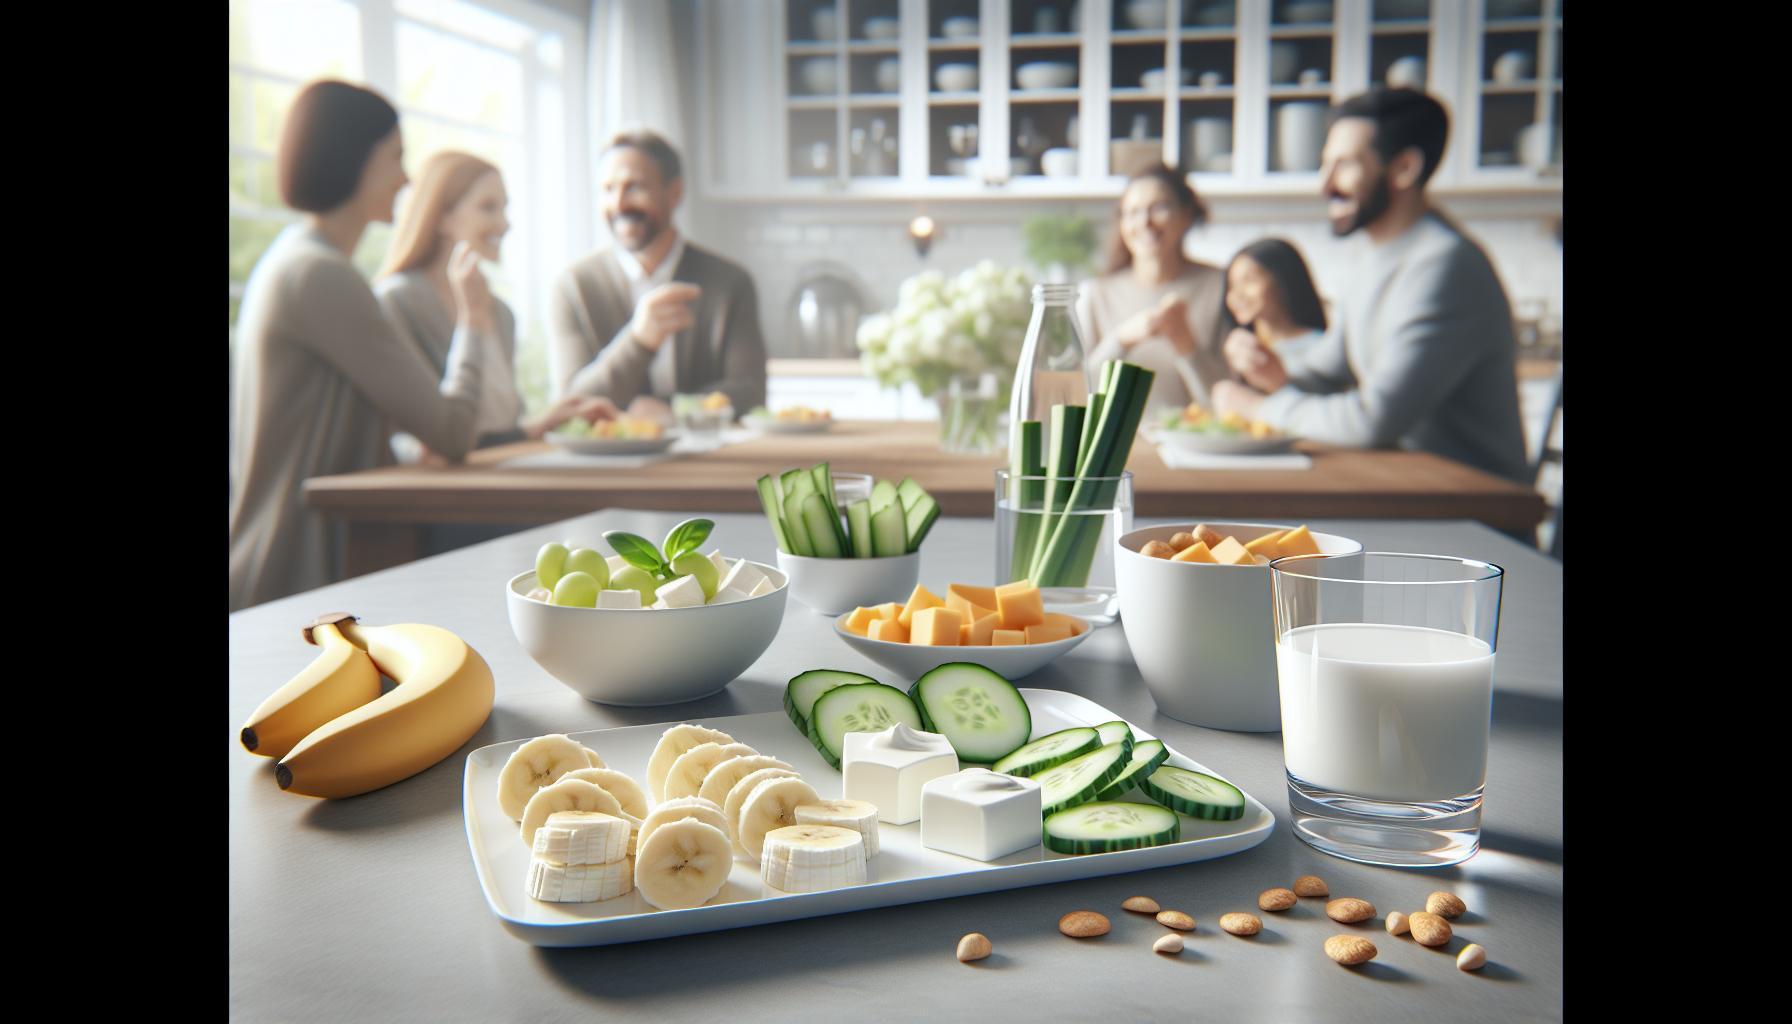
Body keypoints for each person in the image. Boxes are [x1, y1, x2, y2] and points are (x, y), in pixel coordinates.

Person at [230, 80, 495, 611]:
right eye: (395, 156)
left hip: (295, 562)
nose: (405, 177)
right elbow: (452, 431)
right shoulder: (320, 275)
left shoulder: (296, 260)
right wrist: (474, 320)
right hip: (297, 572)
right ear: (356, 161)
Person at [1213, 88, 1529, 485]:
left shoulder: (1443, 265)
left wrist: (1258, 407)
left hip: (1477, 512)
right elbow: (1325, 373)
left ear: (1404, 168)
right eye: (1325, 165)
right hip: (1411, 489)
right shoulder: (1374, 261)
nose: (1324, 185)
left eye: (1344, 165)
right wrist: (1267, 371)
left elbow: (1370, 421)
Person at [376, 151, 614, 456]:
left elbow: (501, 429)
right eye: (488, 208)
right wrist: (470, 320)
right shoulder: (398, 301)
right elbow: (428, 442)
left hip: (500, 478)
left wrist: (549, 421)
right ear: (442, 217)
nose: (504, 225)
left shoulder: (501, 313)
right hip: (440, 492)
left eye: (505, 209)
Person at [548, 130, 767, 418]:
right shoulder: (573, 286)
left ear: (674, 193)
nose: (619, 203)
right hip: (607, 460)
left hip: (709, 457)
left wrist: (672, 410)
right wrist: (638, 342)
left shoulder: (730, 282)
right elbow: (572, 403)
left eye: (634, 187)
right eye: (608, 189)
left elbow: (750, 390)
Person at [1077, 165, 1229, 412]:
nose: (1145, 222)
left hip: (1196, 444)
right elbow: (1079, 395)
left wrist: (1186, 344)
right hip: (1120, 448)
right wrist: (1121, 339)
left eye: (1159, 208)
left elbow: (1227, 404)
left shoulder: (1220, 285)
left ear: (1186, 216)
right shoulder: (1095, 294)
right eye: (1132, 212)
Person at [1220, 238, 1329, 365]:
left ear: (1284, 279)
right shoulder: (1236, 349)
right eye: (1232, 285)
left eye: (1249, 280)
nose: (1237, 295)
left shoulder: (1321, 347)